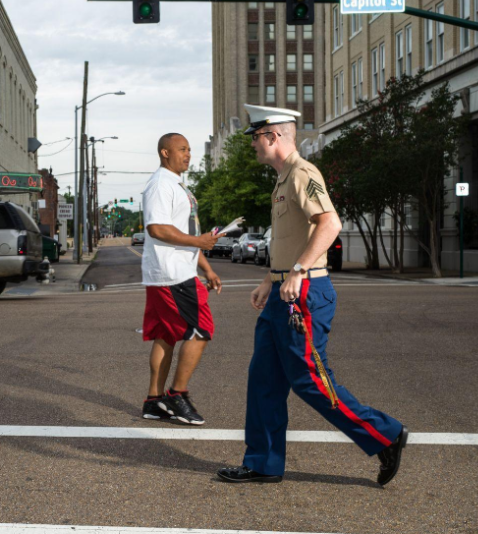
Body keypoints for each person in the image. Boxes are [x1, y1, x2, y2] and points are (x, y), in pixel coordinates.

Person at [217, 105, 407, 485]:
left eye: (256, 137)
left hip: (304, 293)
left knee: (310, 380)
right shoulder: (282, 180)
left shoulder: (303, 173)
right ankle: (263, 462)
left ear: (273, 136)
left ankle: (385, 434)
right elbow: (293, 240)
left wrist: (299, 270)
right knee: (264, 380)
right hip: (283, 293)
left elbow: (330, 223)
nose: (253, 144)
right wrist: (271, 279)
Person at [140, 133, 223, 425]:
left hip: (174, 270)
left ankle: (154, 401)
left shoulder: (177, 185)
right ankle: (177, 395)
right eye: (182, 149)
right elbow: (157, 229)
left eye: (189, 149)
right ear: (165, 152)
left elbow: (185, 235)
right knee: (200, 330)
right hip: (171, 273)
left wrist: (206, 268)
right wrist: (198, 241)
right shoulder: (161, 185)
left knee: (165, 335)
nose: (188, 154)